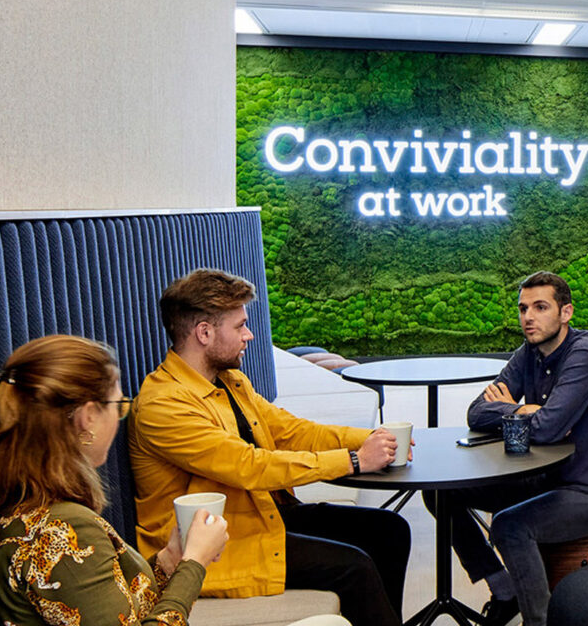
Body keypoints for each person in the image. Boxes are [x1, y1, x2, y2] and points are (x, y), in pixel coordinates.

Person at [129, 268, 410, 626]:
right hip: (215, 547)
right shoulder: (163, 405)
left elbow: (290, 431)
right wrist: (355, 460)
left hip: (259, 516)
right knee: (354, 567)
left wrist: (372, 438)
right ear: (204, 332)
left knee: (389, 531)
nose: (249, 335)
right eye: (240, 326)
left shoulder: (230, 381)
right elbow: (249, 466)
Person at [0, 334, 230, 626]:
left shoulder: (15, 504)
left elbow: (102, 600)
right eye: (118, 406)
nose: (118, 418)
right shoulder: (63, 529)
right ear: (88, 416)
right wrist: (194, 565)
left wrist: (171, 560)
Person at [452, 271, 588, 626]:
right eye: (523, 309)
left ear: (565, 312)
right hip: (545, 477)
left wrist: (524, 414)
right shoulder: (529, 352)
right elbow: (476, 413)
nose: (528, 317)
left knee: (510, 526)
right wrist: (521, 409)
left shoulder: (585, 353)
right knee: (445, 494)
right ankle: (503, 590)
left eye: (540, 307)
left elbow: (548, 429)